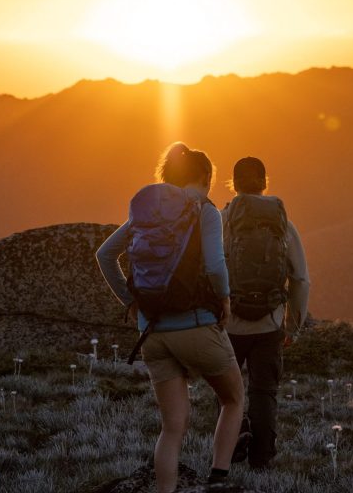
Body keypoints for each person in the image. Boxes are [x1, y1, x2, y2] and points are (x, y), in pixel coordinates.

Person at [96, 142, 244, 493]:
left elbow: (104, 254)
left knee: (172, 427)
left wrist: (131, 301)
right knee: (233, 399)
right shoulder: (204, 210)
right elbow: (215, 264)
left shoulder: (148, 211)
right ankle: (218, 478)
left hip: (153, 333)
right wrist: (224, 300)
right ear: (205, 176)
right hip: (196, 326)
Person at [223, 156, 310, 470]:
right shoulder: (283, 224)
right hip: (270, 325)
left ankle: (231, 442)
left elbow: (208, 272)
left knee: (227, 392)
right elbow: (300, 279)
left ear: (233, 184)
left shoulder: (222, 220)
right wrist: (293, 326)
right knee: (264, 392)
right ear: (264, 182)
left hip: (228, 325)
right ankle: (262, 460)